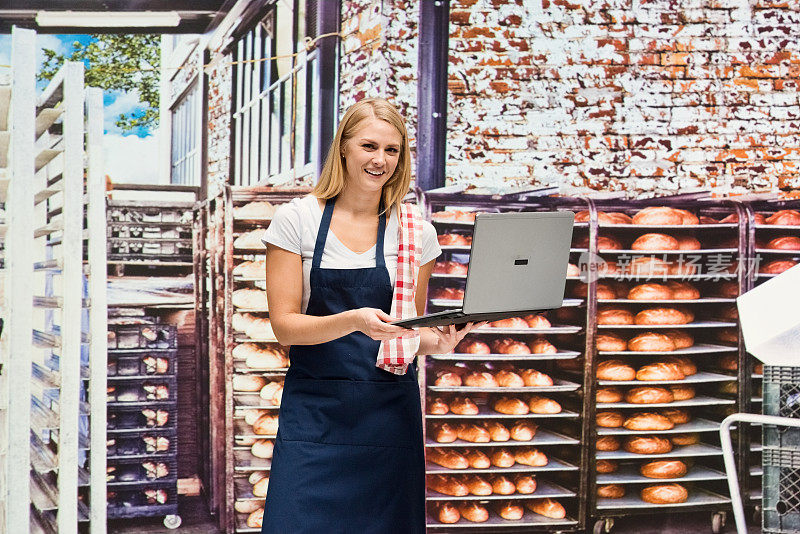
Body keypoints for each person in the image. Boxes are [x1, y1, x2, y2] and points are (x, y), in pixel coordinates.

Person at [260, 98, 481, 533]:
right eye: (369, 146)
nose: (380, 159)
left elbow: (411, 331)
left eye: (392, 150)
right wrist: (353, 320)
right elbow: (284, 326)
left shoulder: (415, 229)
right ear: (343, 148)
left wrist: (443, 340)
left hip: (388, 416)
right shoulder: (297, 220)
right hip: (316, 415)